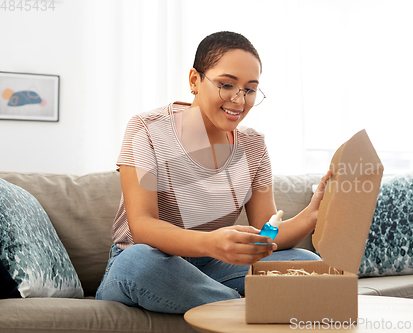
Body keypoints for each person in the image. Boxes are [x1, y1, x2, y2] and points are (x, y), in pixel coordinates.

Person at [95, 31, 332, 314]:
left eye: (250, 89)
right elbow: (143, 226)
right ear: (195, 80)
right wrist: (211, 242)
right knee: (139, 262)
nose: (239, 99)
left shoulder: (253, 145)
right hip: (151, 262)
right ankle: (252, 309)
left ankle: (228, 307)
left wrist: (312, 215)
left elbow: (266, 235)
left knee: (305, 262)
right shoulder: (147, 128)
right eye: (227, 84)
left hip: (213, 267)